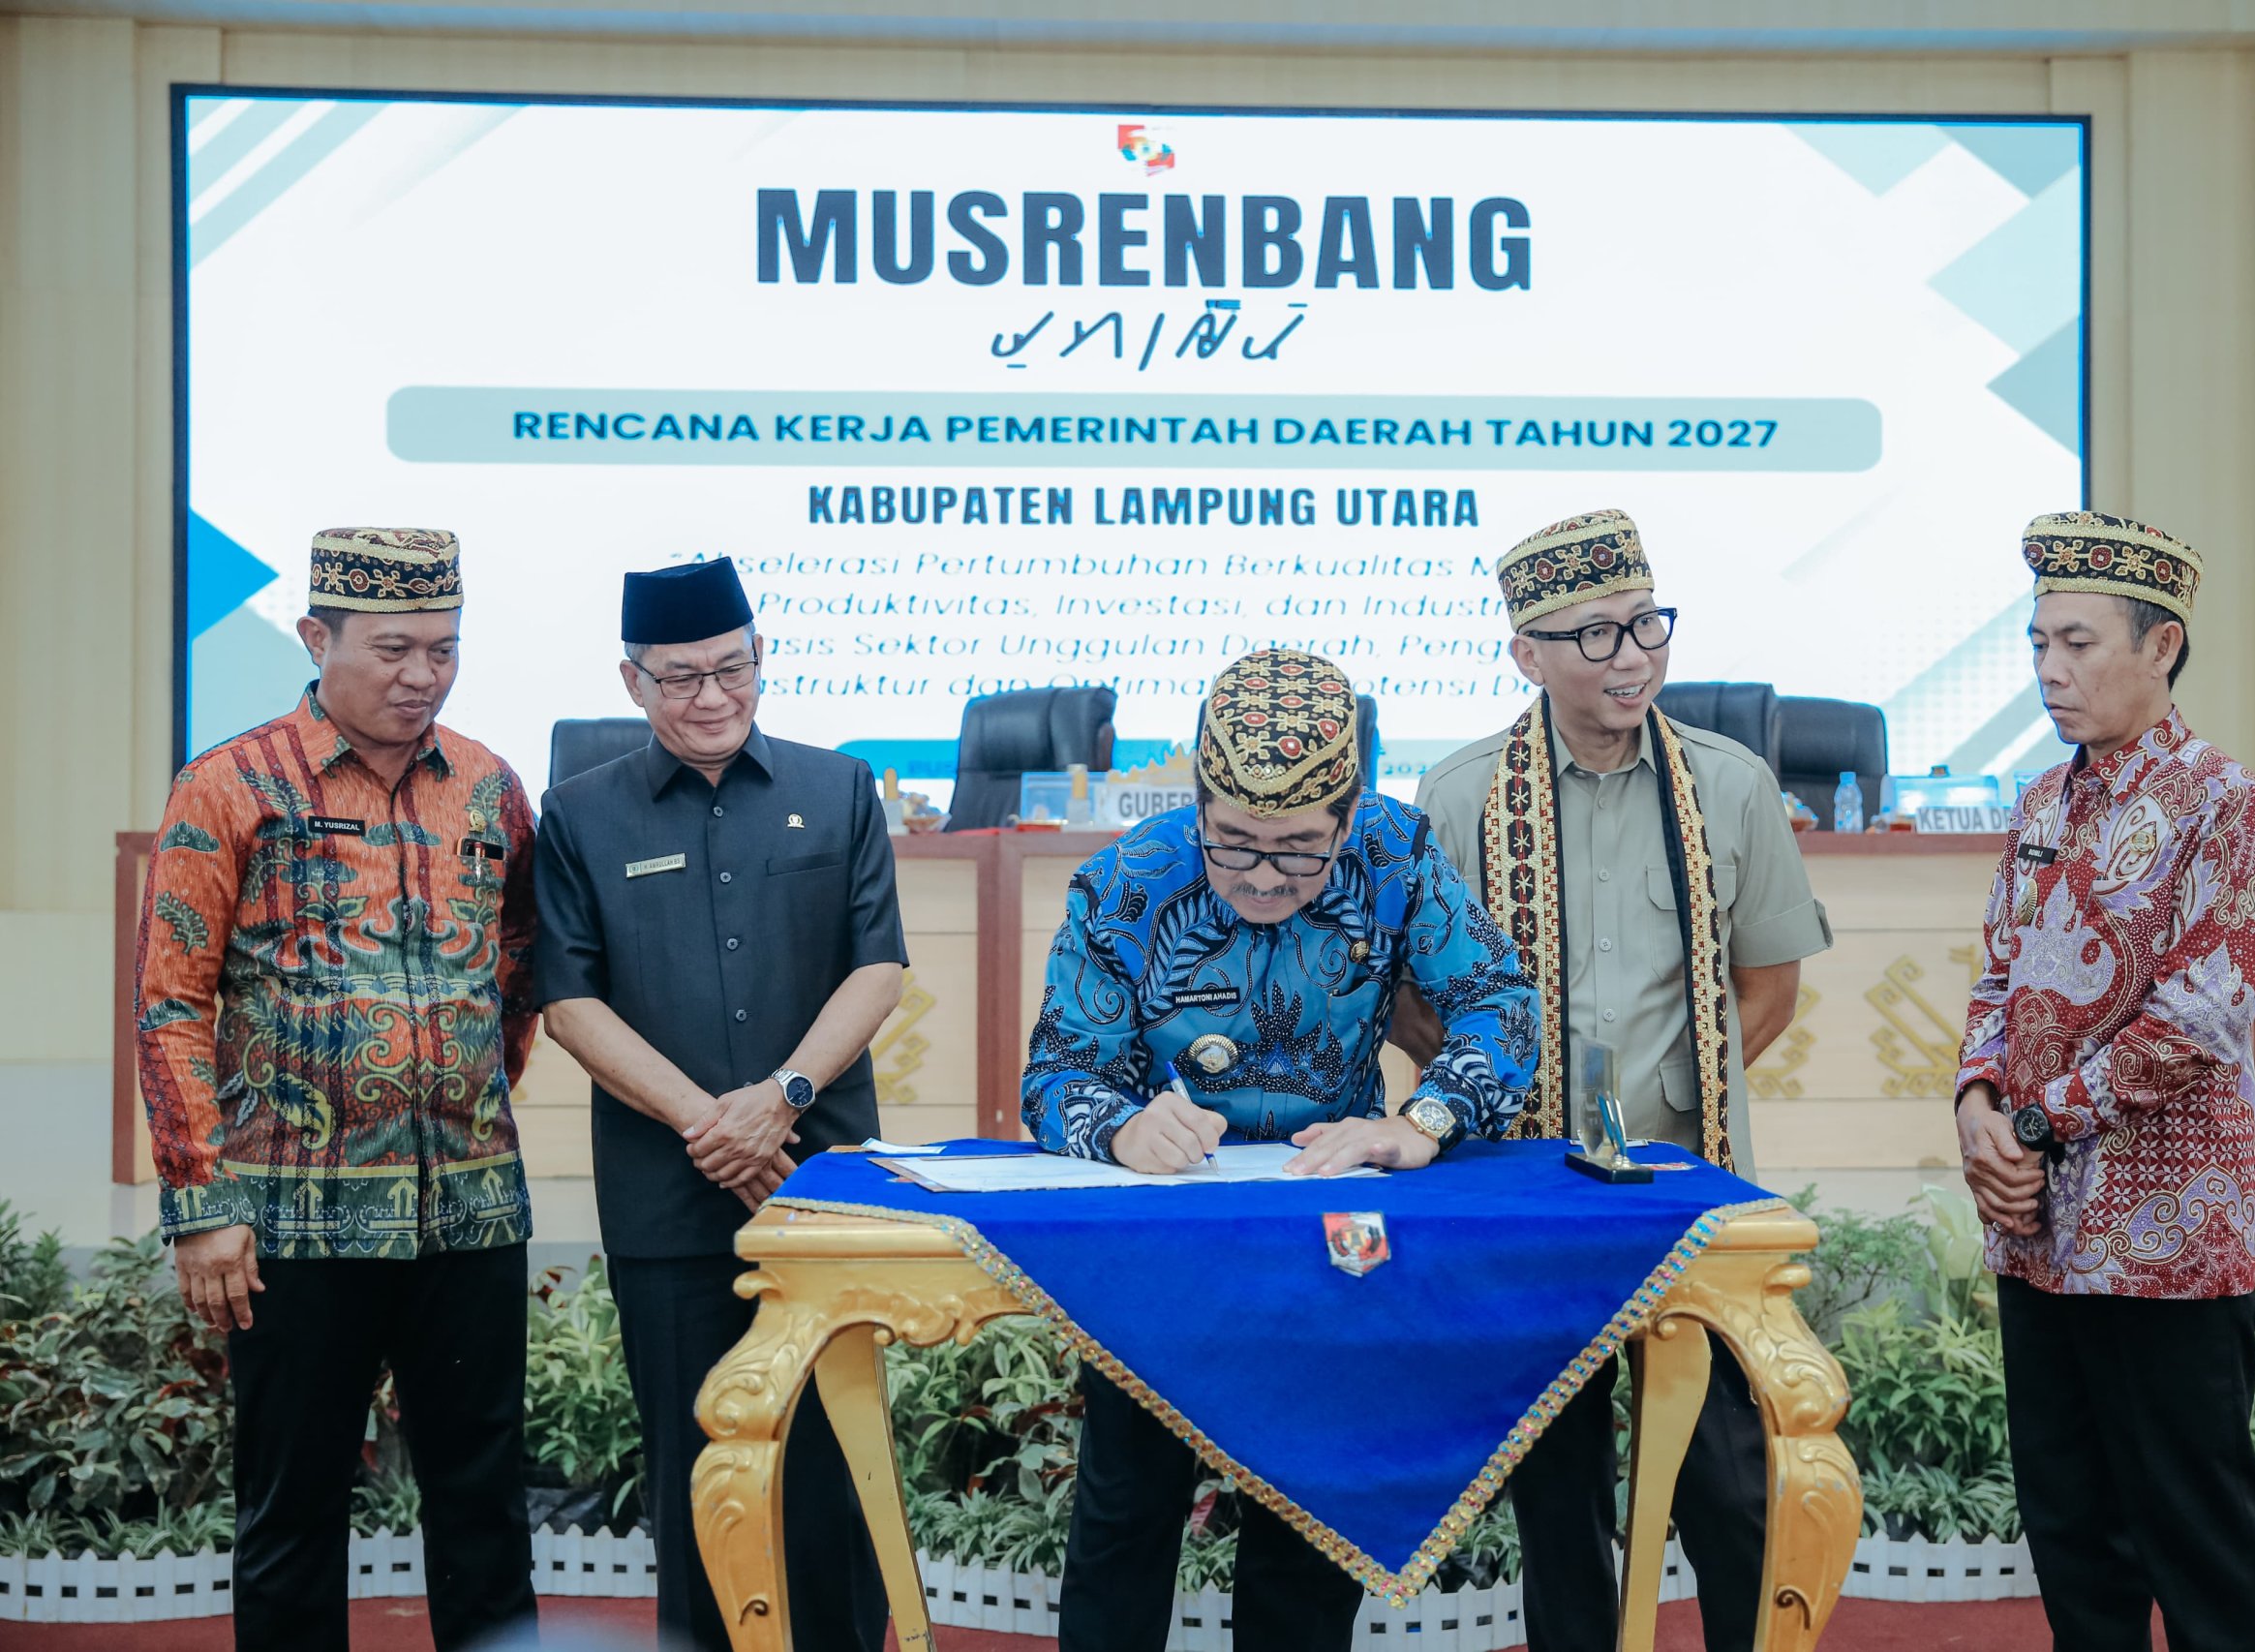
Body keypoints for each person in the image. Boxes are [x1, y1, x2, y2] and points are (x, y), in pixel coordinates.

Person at [1022, 647, 1540, 1652]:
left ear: (1347, 818)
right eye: (1234, 844)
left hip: (1334, 1222)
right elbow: (1055, 1074)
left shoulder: (1396, 853)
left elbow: (1501, 1002)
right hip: (1165, 1234)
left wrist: (1422, 1122)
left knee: (1309, 1516)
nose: (1263, 876)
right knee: (1128, 1502)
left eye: (1300, 849)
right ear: (1199, 806)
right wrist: (1119, 1125)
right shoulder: (1128, 879)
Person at [1408, 507, 1832, 1652]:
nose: (1632, 654)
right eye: (1595, 634)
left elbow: (1766, 988)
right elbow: (1414, 1000)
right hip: (1528, 1195)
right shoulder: (1458, 797)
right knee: (1560, 1499)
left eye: (1647, 623)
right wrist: (1495, 1101)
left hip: (1687, 1192)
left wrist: (1682, 1108)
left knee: (1730, 1482)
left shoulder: (1729, 784)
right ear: (1526, 654)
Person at [133, 527, 538, 1651]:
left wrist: (462, 1091)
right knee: (293, 1512)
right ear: (317, 637)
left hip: (470, 1214)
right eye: (393, 649)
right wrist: (201, 1200)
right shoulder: (229, 783)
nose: (422, 676)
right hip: (289, 1222)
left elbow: (517, 967)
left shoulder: (491, 787)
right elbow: (171, 1000)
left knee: (485, 1510)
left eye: (443, 649)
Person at [532, 557, 902, 1652]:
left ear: (760, 658)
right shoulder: (579, 814)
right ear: (634, 682)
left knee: (833, 1468)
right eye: (681, 677)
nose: (711, 697)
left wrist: (780, 1099)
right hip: (669, 1200)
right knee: (699, 1476)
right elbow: (569, 1003)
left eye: (732, 669)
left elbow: (877, 968)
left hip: (821, 1188)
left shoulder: (839, 788)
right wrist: (715, 1124)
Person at [1955, 511, 2255, 1651]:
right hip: (2038, 1232)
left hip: (2166, 1243)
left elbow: (2201, 1013)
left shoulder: (2225, 801)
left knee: (2199, 1541)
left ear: (2161, 645)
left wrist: (2031, 1123)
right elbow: (1995, 975)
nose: (2049, 669)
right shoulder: (2041, 803)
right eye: (2038, 642)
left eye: (2078, 642)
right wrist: (1976, 1109)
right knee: (2072, 1540)